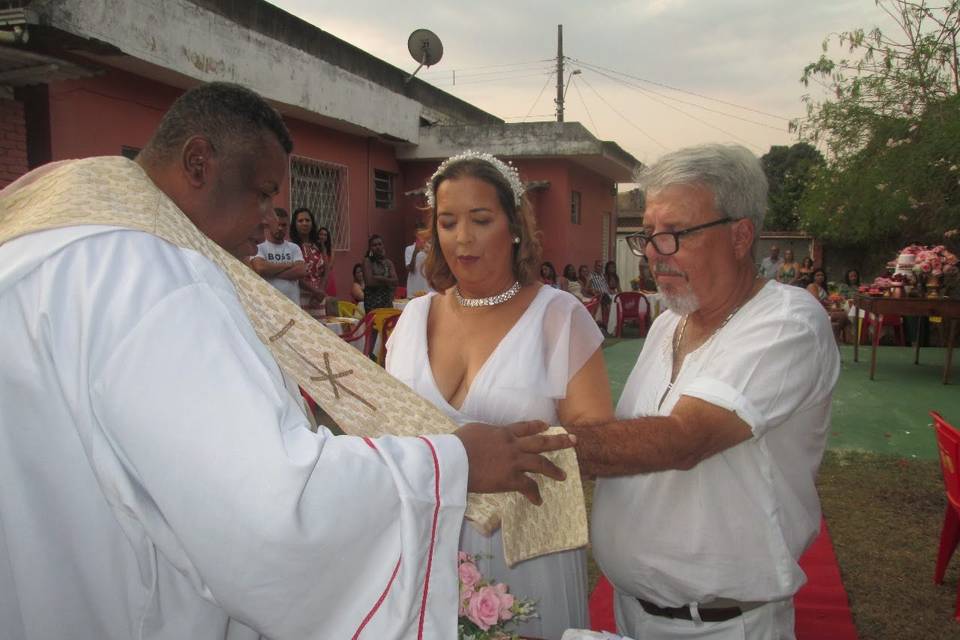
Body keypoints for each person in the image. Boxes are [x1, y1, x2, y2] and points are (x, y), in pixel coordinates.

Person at [0, 82, 577, 639]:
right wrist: (450, 462)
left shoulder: (48, 238)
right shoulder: (153, 272)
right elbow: (268, 502)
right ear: (198, 162)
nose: (271, 219)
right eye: (262, 193)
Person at [569, 144, 840, 640]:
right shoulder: (668, 323)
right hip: (634, 611)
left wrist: (532, 445)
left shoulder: (787, 323)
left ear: (740, 236)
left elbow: (682, 439)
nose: (653, 252)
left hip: (722, 625)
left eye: (675, 234)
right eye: (648, 235)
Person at [386, 151, 614, 640]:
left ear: (514, 226)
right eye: (447, 222)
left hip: (524, 554)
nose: (462, 238)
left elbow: (593, 442)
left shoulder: (559, 317)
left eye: (480, 220)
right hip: (423, 543)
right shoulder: (410, 320)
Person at [289, 206, 327, 313]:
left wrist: (320, 293)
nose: (304, 223)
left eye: (307, 220)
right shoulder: (291, 246)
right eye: (300, 221)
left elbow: (326, 271)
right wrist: (314, 291)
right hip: (300, 296)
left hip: (318, 298)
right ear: (294, 224)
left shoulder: (319, 245)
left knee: (319, 328)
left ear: (312, 223)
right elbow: (295, 274)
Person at [362, 234, 398, 311]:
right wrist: (388, 281)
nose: (378, 247)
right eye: (374, 245)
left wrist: (378, 278)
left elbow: (395, 281)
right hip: (372, 305)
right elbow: (370, 282)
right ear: (370, 248)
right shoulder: (367, 261)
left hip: (387, 303)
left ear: (383, 246)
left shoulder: (388, 263)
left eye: (379, 244)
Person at [404, 223, 431, 296]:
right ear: (415, 234)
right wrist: (415, 252)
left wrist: (429, 252)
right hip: (414, 286)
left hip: (428, 287)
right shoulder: (409, 249)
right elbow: (410, 269)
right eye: (419, 234)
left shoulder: (431, 248)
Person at [316, 224, 336, 297]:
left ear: (327, 237)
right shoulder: (315, 248)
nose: (323, 237)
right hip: (317, 278)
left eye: (325, 235)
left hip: (327, 277)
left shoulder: (331, 249)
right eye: (321, 234)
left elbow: (330, 265)